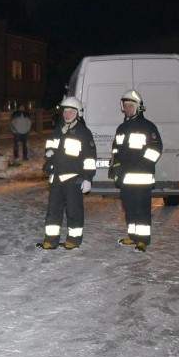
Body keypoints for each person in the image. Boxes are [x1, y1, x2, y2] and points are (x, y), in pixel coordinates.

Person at [36, 97, 96, 250]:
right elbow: (50, 144)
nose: (67, 114)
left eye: (71, 111)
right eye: (65, 111)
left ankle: (74, 240)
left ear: (78, 113)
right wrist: (48, 151)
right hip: (56, 178)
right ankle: (50, 240)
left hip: (74, 179)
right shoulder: (58, 130)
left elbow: (90, 158)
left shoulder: (84, 133)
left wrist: (88, 178)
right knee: (53, 211)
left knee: (74, 212)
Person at [108, 89, 162, 252]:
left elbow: (156, 149)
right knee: (129, 208)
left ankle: (143, 240)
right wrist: (116, 167)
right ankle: (132, 236)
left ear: (138, 107)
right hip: (125, 178)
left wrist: (140, 164)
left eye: (131, 106)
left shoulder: (148, 127)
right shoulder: (121, 128)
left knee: (141, 209)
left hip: (142, 178)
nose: (128, 109)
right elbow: (116, 150)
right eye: (126, 106)